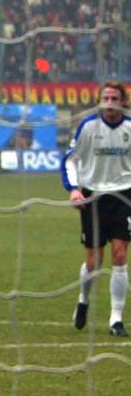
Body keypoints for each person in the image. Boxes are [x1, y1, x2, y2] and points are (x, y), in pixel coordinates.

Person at [62, 81, 131, 336]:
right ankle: (83, 300)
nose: (110, 102)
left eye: (115, 98)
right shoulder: (88, 126)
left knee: (120, 256)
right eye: (106, 98)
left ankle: (116, 319)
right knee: (94, 261)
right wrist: (74, 188)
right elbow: (70, 159)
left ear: (123, 101)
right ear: (100, 100)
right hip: (93, 196)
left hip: (124, 195)